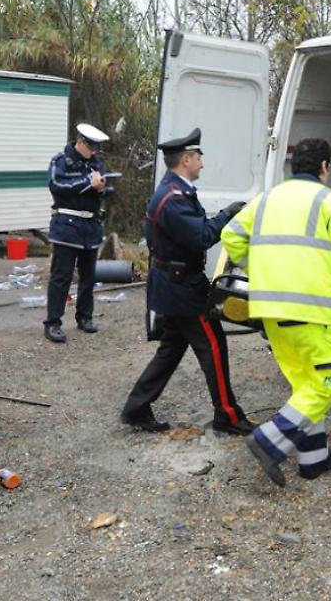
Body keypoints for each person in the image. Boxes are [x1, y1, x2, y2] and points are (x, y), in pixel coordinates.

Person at [221, 137, 331, 487]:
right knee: (326, 386)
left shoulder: (266, 200)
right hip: (310, 311)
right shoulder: (330, 201)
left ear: (292, 166)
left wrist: (262, 269)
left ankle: (313, 460)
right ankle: (269, 441)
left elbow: (231, 235)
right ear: (324, 167)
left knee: (305, 385)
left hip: (270, 310)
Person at [121, 128, 252, 435]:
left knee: (170, 350)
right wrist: (227, 215)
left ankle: (136, 408)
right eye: (199, 159)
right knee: (214, 349)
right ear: (187, 159)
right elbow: (201, 237)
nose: (202, 165)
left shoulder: (175, 192)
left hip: (174, 286)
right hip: (183, 291)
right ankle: (228, 416)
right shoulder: (172, 198)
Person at [43, 123, 111, 343]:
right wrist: (87, 183)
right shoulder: (60, 161)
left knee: (88, 277)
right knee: (61, 277)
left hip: (90, 226)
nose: (94, 152)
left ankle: (85, 317)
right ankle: (53, 322)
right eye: (91, 147)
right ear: (80, 142)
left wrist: (102, 188)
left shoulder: (96, 164)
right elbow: (55, 185)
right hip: (67, 226)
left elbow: (107, 190)